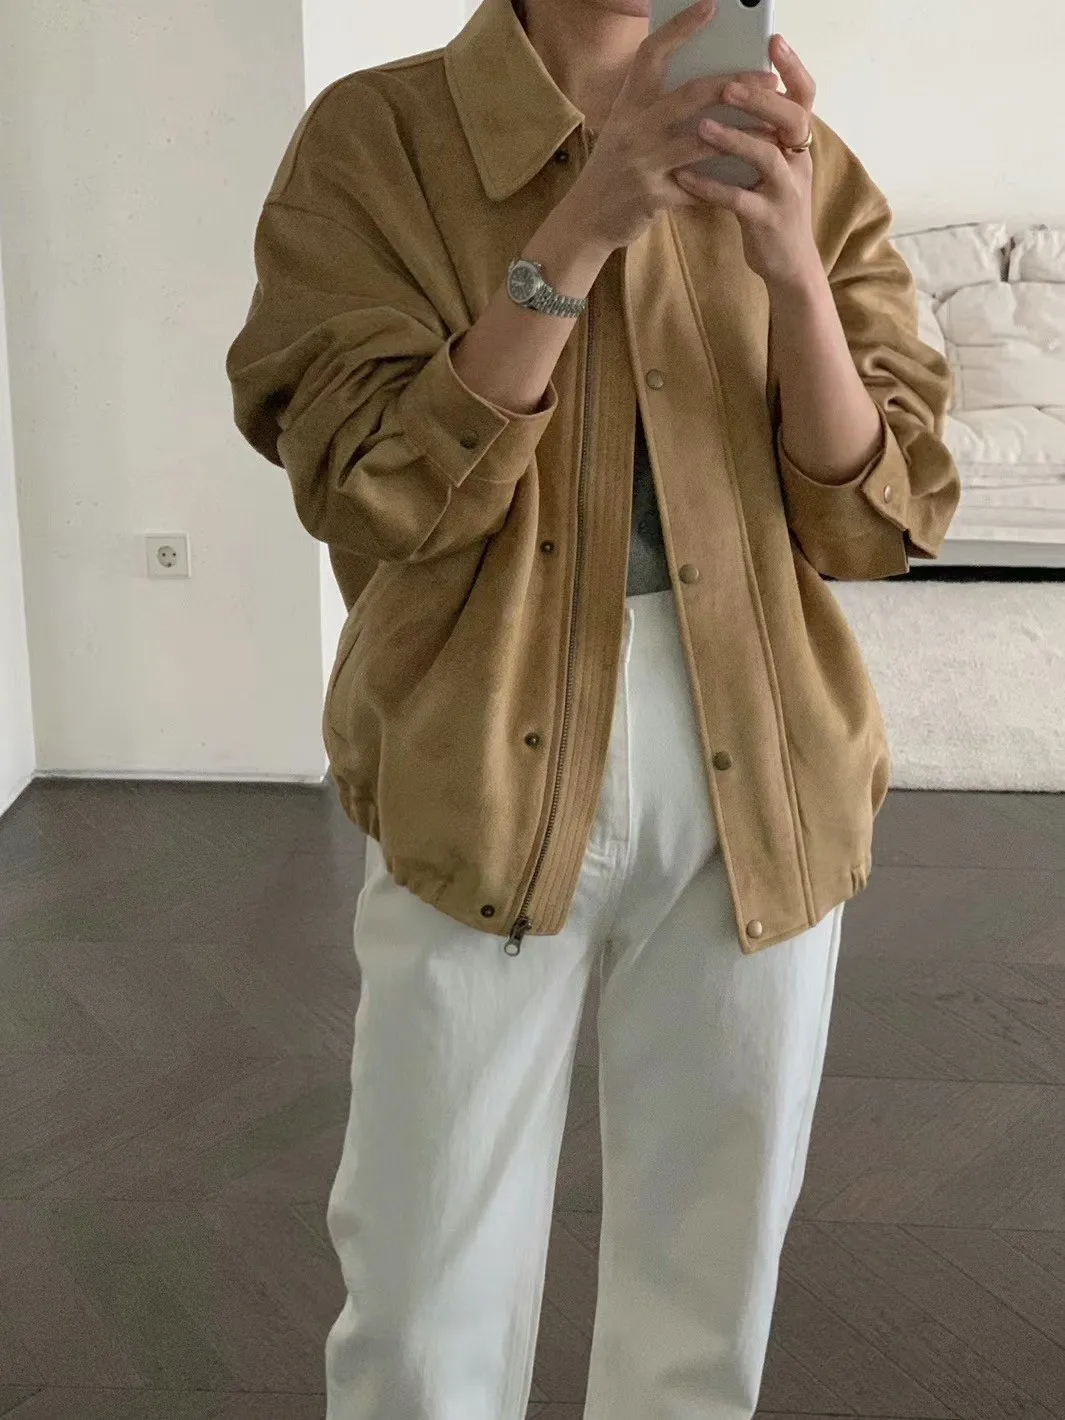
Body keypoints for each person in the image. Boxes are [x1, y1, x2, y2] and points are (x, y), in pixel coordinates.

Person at [225, 0, 959, 1413]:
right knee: (422, 1303)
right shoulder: (377, 140)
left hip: (765, 767)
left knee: (706, 1300)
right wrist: (580, 227)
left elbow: (880, 518)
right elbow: (373, 487)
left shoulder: (794, 155)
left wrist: (794, 271)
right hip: (473, 754)